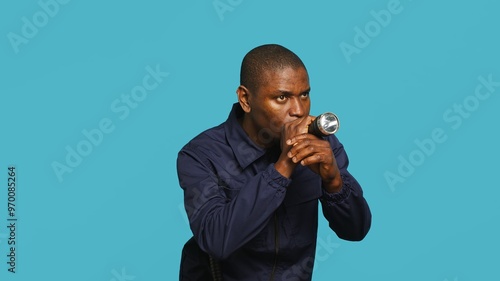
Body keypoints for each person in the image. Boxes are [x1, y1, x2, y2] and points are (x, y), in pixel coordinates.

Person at [177, 44, 371, 280]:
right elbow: (216, 240)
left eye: (304, 95)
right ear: (246, 99)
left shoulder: (320, 145)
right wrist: (285, 164)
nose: (299, 110)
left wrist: (334, 182)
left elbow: (356, 230)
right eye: (282, 97)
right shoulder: (201, 154)